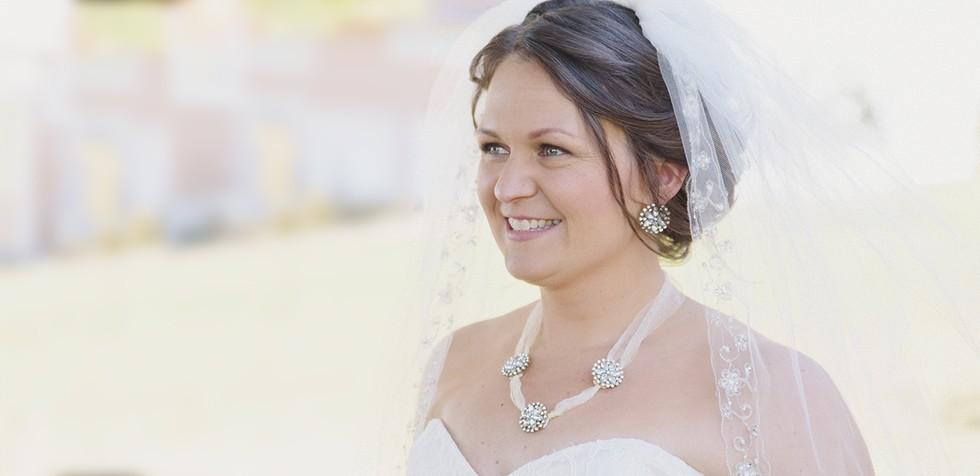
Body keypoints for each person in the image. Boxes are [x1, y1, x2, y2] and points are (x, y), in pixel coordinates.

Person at [391, 0, 978, 474]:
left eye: (552, 150)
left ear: (662, 175)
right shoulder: (455, 362)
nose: (508, 186)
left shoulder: (768, 395)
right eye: (494, 148)